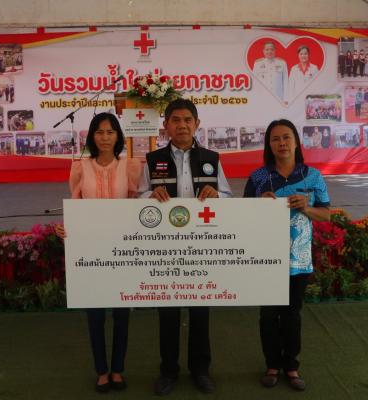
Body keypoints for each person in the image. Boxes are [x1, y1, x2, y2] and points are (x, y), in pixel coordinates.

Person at [138, 98, 232, 396]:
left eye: (187, 120)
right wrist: (150, 196)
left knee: (200, 310)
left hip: (202, 245)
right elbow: (139, 196)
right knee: (167, 311)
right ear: (165, 125)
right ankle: (168, 371)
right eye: (175, 120)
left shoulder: (212, 158)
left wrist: (217, 195)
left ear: (197, 124)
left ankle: (201, 370)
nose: (182, 125)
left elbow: (229, 196)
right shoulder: (152, 160)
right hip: (166, 247)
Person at [55, 112, 141, 393]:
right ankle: (102, 371)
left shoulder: (130, 166)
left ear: (118, 136)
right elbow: (76, 207)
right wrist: (65, 228)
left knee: (122, 314)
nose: (105, 137)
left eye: (110, 132)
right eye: (100, 132)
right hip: (92, 254)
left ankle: (118, 369)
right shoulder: (80, 167)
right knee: (95, 315)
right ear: (92, 136)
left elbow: (136, 206)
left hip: (123, 252)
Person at [243, 119, 330, 392]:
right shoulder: (258, 177)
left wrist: (307, 208)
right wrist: (259, 207)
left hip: (298, 260)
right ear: (268, 145)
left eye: (286, 137)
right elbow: (242, 218)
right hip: (266, 258)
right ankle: (272, 365)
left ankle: (291, 366)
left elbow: (326, 215)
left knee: (292, 314)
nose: (281, 143)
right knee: (268, 315)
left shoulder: (313, 176)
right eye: (275, 139)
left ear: (296, 142)